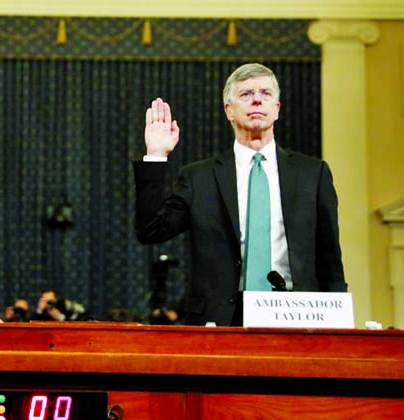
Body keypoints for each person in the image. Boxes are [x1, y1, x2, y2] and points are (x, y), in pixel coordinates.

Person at [133, 63, 347, 327]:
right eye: (245, 94)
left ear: (276, 110)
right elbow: (151, 230)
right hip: (220, 320)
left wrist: (337, 327)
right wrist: (156, 155)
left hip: (298, 317)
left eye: (266, 94)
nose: (257, 99)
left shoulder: (313, 174)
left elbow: (330, 260)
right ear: (229, 111)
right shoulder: (199, 177)